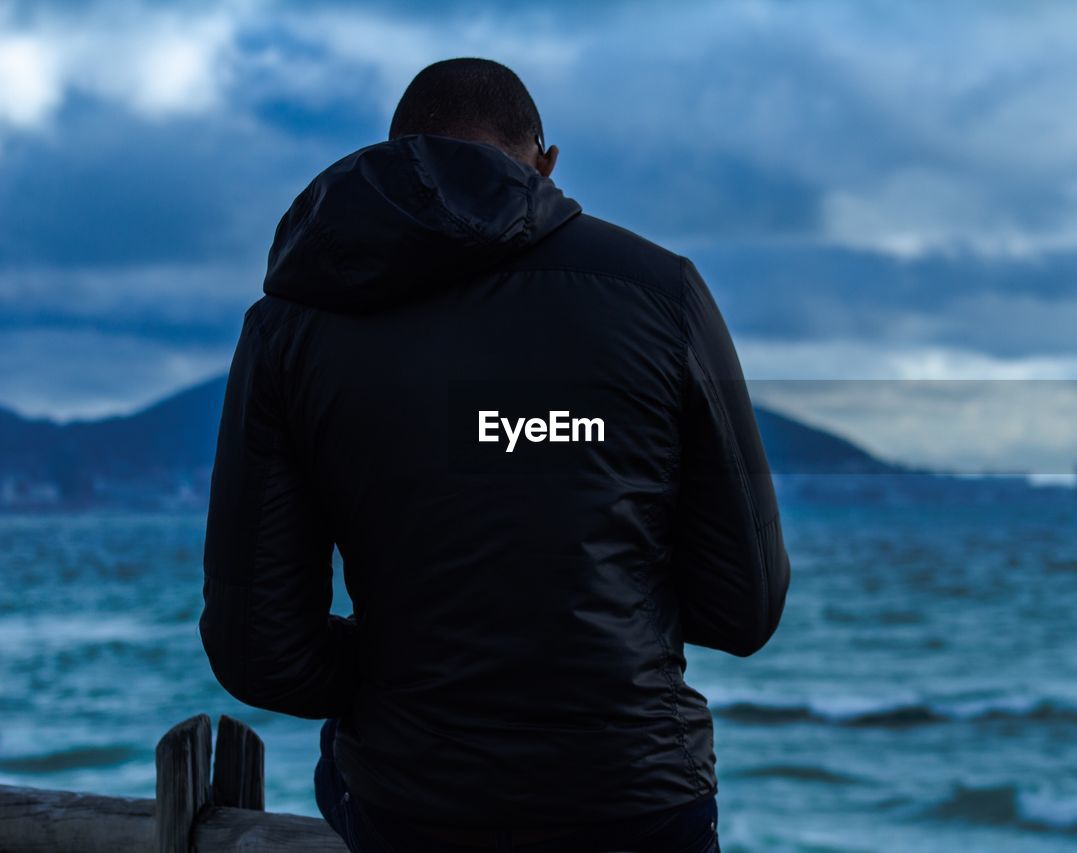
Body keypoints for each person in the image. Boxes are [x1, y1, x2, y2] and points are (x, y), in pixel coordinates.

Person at [200, 57, 790, 853]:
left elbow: (259, 648)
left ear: (400, 160)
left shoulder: (292, 320)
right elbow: (745, 609)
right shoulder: (663, 291)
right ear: (544, 163)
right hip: (633, 792)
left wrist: (405, 675)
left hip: (413, 800)